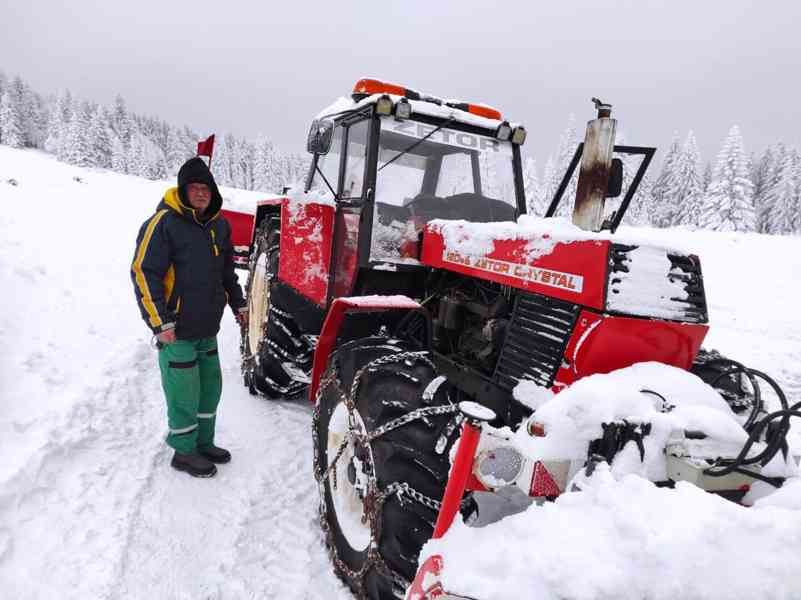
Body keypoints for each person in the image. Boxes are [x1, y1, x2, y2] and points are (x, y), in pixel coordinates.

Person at [131, 157, 247, 478]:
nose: (201, 193)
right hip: (176, 330)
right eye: (195, 187)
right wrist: (160, 322)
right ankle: (183, 452)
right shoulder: (163, 223)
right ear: (183, 190)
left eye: (205, 187)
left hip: (206, 328)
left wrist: (239, 304)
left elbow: (226, 272)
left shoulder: (219, 226)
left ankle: (203, 443)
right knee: (184, 392)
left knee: (210, 388)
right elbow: (144, 272)